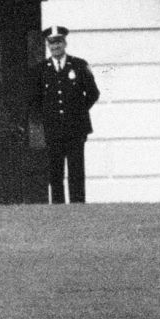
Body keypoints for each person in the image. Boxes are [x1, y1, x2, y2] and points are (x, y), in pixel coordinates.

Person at [29, 26, 100, 203]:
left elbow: (93, 93)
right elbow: (34, 99)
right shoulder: (41, 69)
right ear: (48, 46)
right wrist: (45, 118)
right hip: (53, 130)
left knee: (76, 171)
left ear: (65, 43)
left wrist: (78, 112)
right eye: (51, 43)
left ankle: (78, 208)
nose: (55, 47)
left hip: (76, 129)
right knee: (55, 173)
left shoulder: (78, 65)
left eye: (58, 42)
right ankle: (58, 209)